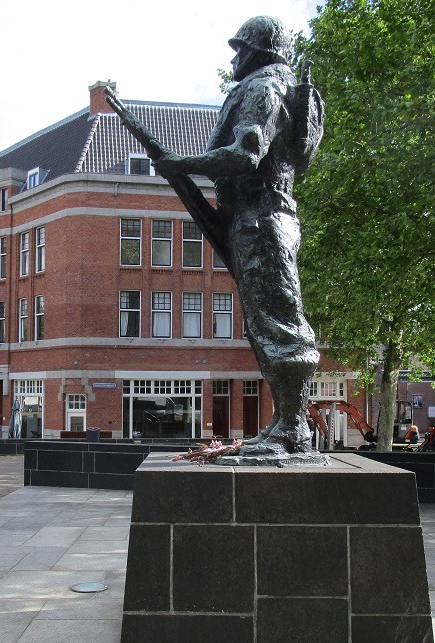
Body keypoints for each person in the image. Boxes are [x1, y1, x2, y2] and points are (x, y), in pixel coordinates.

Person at [152, 16, 323, 463]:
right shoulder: (276, 86)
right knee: (265, 323)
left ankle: (293, 430)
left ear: (260, 49)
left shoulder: (263, 89)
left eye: (240, 48)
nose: (234, 57)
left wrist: (181, 162)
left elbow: (247, 153)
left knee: (278, 324)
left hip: (260, 217)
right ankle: (288, 425)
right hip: (261, 217)